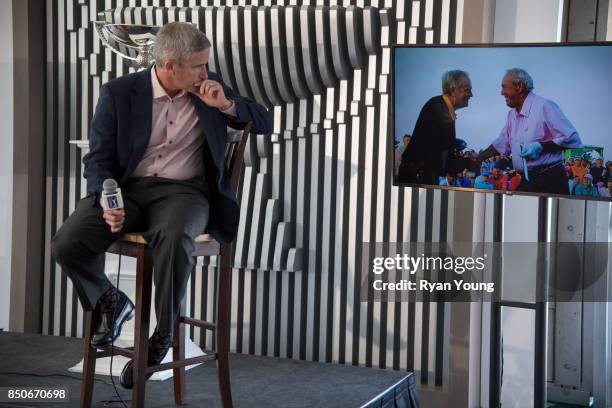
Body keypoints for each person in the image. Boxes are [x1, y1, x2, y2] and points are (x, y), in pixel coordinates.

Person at [50, 22, 272, 388]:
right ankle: (110, 301)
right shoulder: (119, 93)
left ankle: (163, 335)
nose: (205, 72)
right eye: (198, 66)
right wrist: (108, 200)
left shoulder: (209, 87)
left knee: (173, 236)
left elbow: (263, 120)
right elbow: (99, 159)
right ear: (169, 65)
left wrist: (227, 104)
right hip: (129, 190)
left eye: (206, 65)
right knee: (67, 242)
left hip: (184, 193)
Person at [477, 68, 582, 195]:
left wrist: (541, 146)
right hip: (527, 179)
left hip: (550, 180)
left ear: (519, 86)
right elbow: (502, 143)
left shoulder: (545, 106)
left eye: (504, 87)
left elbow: (572, 138)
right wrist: (478, 158)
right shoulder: (511, 115)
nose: (501, 92)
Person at [398, 70, 473, 184]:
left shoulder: (440, 107)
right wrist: (470, 163)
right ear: (453, 90)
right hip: (415, 182)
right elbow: (443, 163)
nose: (471, 94)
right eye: (468, 90)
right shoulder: (440, 111)